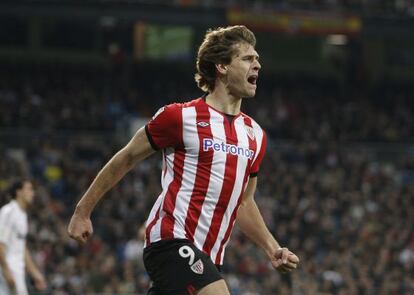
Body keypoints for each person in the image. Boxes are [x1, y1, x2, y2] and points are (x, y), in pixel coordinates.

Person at [68, 25, 300, 295]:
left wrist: (272, 248)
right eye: (247, 58)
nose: (257, 64)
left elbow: (244, 202)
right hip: (170, 241)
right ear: (222, 67)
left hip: (210, 256)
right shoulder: (179, 117)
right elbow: (127, 157)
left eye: (257, 59)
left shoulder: (255, 135)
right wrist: (82, 211)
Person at [0, 179, 47, 295]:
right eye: (29, 189)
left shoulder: (22, 215)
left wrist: (34, 272)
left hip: (17, 269)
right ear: (19, 192)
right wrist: (5, 269)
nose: (33, 193)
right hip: (8, 268)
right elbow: (0, 241)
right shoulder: (8, 211)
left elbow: (22, 247)